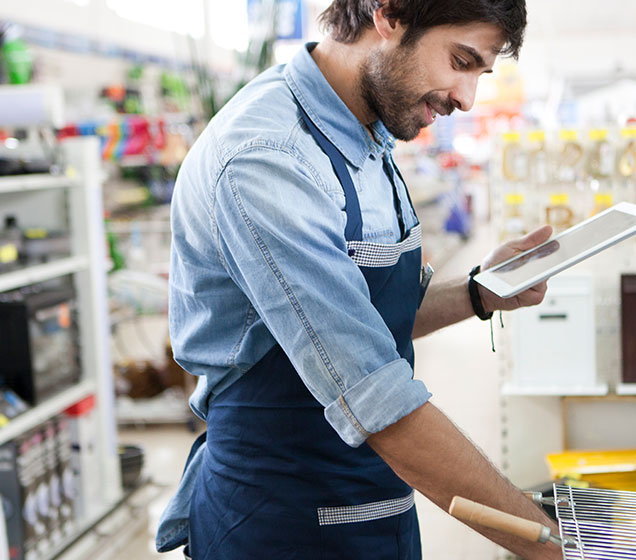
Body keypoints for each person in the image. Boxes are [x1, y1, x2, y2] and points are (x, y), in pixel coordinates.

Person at [156, 1, 563, 558]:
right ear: (388, 15)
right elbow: (375, 397)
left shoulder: (368, 131)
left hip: (376, 506)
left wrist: (477, 292)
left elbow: (361, 321)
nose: (467, 99)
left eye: (480, 73)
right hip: (279, 522)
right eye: (461, 61)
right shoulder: (269, 158)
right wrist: (550, 544)